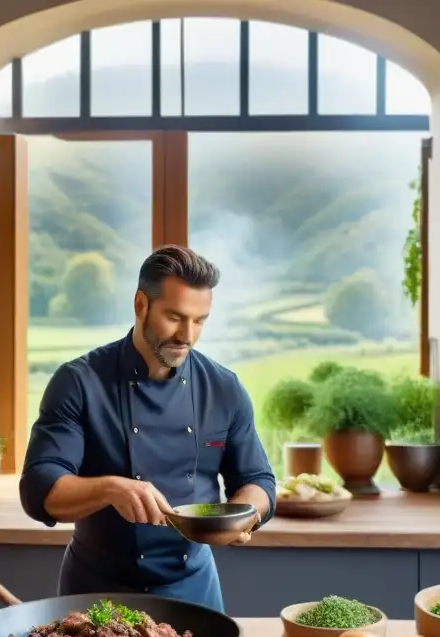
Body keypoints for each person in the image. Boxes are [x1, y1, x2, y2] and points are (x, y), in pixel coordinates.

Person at [18, 245, 277, 613]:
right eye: (175, 317)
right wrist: (110, 488)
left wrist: (244, 513)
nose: (187, 334)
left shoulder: (224, 388)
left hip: (193, 591)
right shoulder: (79, 382)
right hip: (96, 593)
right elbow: (39, 488)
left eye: (200, 320)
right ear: (141, 304)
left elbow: (258, 479)